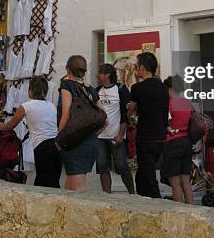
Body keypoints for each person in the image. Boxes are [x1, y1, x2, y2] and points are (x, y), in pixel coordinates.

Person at [0, 75, 61, 188]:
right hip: (56, 146)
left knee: (44, 182)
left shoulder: (26, 106)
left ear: (30, 90)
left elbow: (11, 125)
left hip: (42, 147)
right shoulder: (51, 106)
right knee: (52, 180)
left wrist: (1, 126)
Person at [127, 52, 169, 198]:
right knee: (143, 174)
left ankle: (156, 201)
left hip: (146, 137)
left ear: (142, 68)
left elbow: (130, 109)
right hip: (161, 137)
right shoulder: (163, 87)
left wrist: (129, 111)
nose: (135, 69)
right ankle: (143, 199)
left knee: (148, 174)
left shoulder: (137, 88)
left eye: (137, 66)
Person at [57, 55, 101, 192]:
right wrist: (90, 133)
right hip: (90, 142)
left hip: (74, 142)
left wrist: (59, 138)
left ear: (68, 69)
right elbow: (104, 119)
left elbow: (66, 114)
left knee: (77, 188)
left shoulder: (66, 85)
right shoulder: (91, 90)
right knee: (69, 186)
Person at [96, 63, 135, 194]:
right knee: (103, 168)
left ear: (107, 75)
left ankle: (132, 194)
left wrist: (120, 134)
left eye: (100, 73)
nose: (97, 75)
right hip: (100, 137)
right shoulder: (97, 91)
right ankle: (107, 195)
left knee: (122, 167)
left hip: (116, 135)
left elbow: (125, 114)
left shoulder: (121, 89)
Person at [161, 76, 194, 204]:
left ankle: (180, 212)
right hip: (187, 142)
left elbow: (166, 123)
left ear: (169, 89)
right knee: (186, 182)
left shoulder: (169, 103)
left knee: (175, 183)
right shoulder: (187, 103)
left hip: (173, 142)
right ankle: (192, 210)